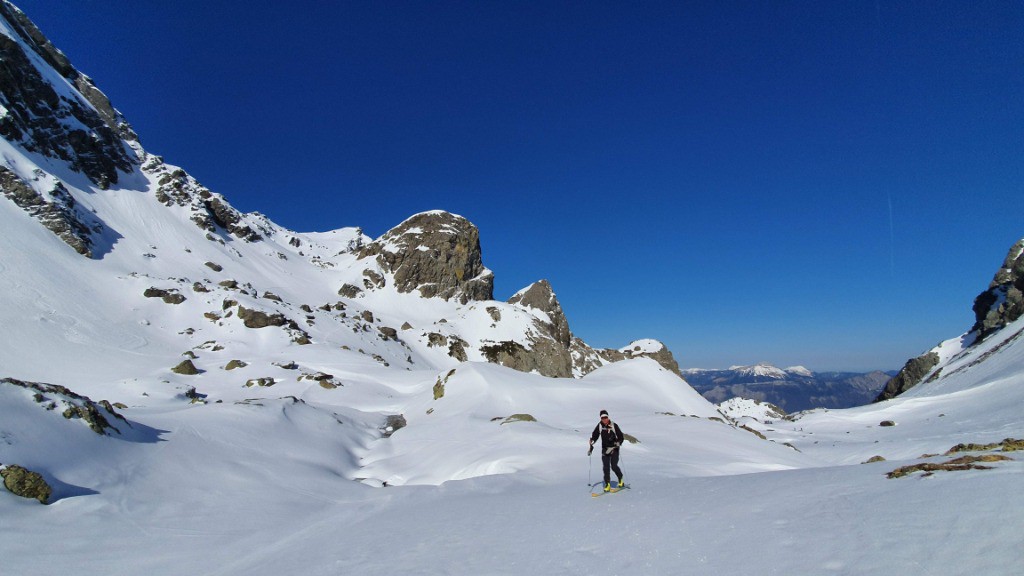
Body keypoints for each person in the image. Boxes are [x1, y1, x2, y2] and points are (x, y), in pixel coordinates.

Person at [588, 409, 625, 492]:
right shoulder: (600, 426)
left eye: (606, 417)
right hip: (605, 449)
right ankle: (607, 484)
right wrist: (592, 440)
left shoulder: (614, 425)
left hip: (614, 449)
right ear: (600, 418)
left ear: (608, 417)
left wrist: (618, 442)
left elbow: (621, 437)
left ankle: (620, 478)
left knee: (614, 466)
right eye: (602, 418)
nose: (604, 419)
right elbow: (595, 435)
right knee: (606, 467)